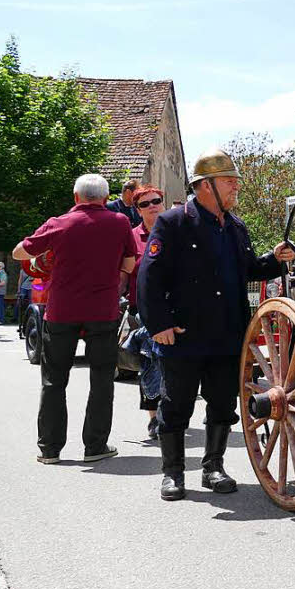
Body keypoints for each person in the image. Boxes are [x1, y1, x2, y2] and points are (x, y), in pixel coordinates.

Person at [137, 148, 295, 501]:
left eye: (235, 182)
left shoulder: (236, 227)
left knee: (223, 403)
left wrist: (275, 258)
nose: (236, 188)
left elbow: (250, 269)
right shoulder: (173, 223)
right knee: (176, 405)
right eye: (228, 182)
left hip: (228, 334)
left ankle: (213, 467)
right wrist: (158, 323)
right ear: (204, 186)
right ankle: (173, 473)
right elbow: (149, 278)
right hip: (183, 334)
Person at [13, 174, 137, 465]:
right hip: (102, 310)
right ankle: (95, 446)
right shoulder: (120, 223)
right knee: (102, 379)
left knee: (54, 381)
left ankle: (50, 449)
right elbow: (130, 264)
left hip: (62, 311)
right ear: (106, 199)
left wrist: (47, 256)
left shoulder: (59, 223)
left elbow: (19, 252)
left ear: (76, 197)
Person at [125, 184, 167, 439]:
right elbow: (121, 271)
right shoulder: (131, 237)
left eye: (156, 201)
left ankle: (167, 412)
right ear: (138, 210)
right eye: (145, 204)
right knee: (149, 357)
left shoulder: (178, 234)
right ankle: (154, 417)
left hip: (176, 308)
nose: (152, 206)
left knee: (171, 363)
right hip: (142, 309)